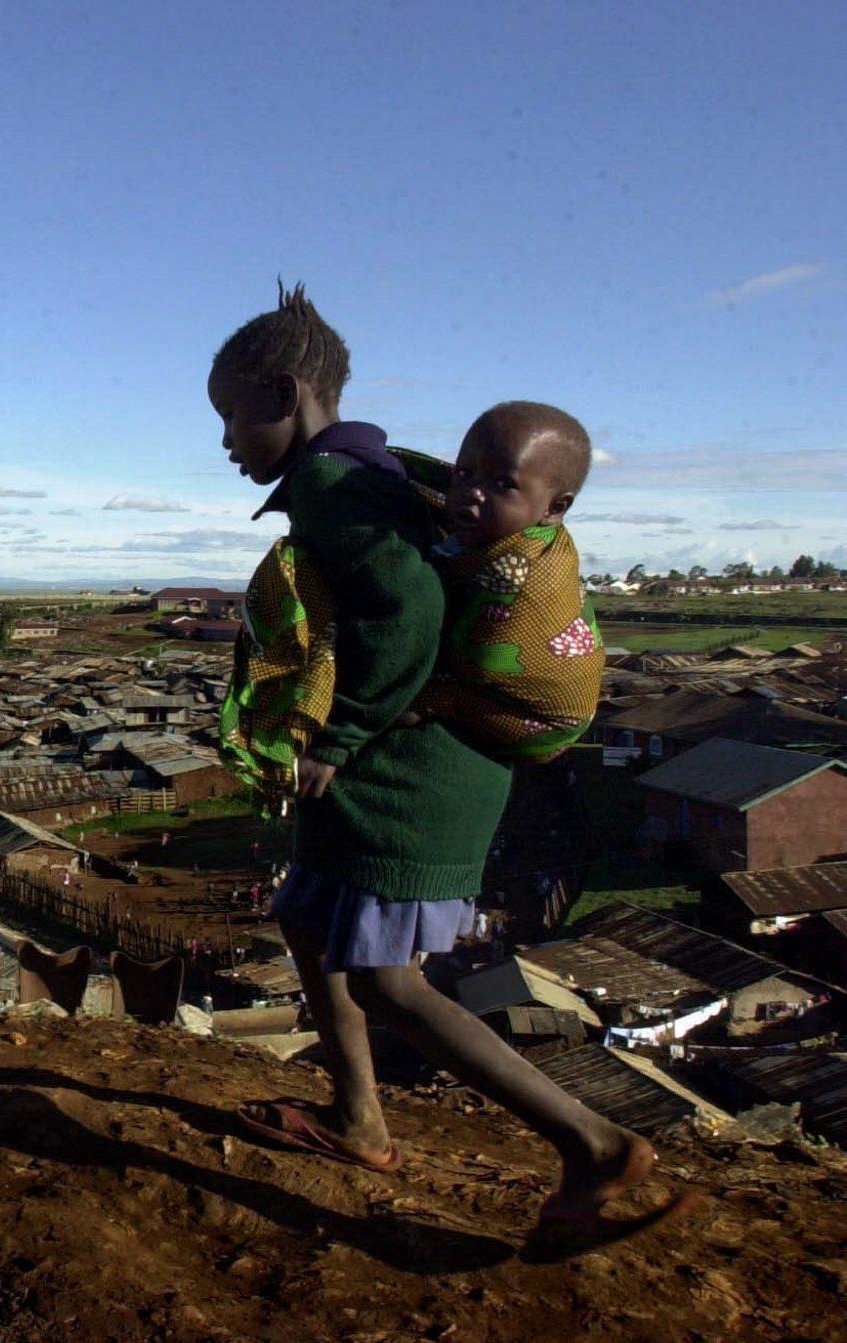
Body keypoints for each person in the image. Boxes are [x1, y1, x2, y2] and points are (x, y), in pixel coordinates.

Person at [209, 283, 695, 1258]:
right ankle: (357, 1118)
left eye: (229, 414)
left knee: (388, 981)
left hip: (409, 780)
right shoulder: (361, 471)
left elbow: (409, 619)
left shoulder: (332, 485)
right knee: (307, 919)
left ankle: (595, 1145)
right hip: (398, 762)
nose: (224, 439)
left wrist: (334, 738)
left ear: (282, 389)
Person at [405, 402, 602, 761]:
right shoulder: (501, 531)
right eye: (464, 473)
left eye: (502, 484)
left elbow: (479, 660)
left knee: (417, 697)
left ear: (555, 509)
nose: (473, 492)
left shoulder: (524, 572)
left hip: (542, 723)